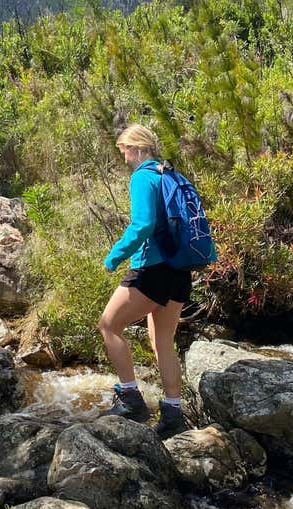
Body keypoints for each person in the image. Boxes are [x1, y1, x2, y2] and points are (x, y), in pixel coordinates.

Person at [98, 124, 191, 439]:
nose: (123, 158)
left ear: (135, 149)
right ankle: (173, 414)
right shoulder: (170, 174)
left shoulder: (142, 177)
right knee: (162, 341)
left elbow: (143, 224)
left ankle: (131, 400)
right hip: (179, 270)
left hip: (152, 270)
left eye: (124, 151)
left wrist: (114, 257)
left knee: (108, 325)